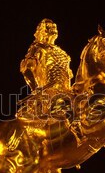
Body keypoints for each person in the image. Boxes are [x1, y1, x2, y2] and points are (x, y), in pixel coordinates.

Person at [7, 19, 86, 152]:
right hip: (50, 88)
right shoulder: (37, 48)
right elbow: (27, 69)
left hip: (66, 88)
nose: (53, 30)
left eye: (54, 28)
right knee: (61, 104)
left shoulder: (61, 52)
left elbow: (68, 74)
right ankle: (76, 135)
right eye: (48, 28)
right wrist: (36, 89)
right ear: (42, 31)